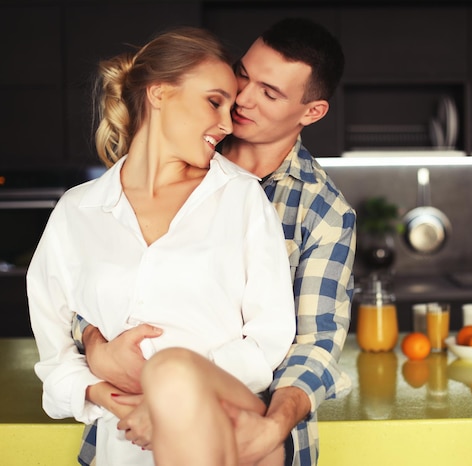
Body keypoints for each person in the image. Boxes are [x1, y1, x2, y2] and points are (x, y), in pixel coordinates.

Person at [75, 17, 356, 466]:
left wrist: (273, 426)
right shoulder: (174, 147)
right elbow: (82, 280)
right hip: (126, 434)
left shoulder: (323, 212)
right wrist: (95, 344)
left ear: (311, 112)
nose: (242, 98)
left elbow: (314, 346)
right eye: (243, 74)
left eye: (270, 92)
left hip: (250, 431)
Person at [27, 26, 296, 466]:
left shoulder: (241, 198)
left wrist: (170, 399)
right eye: (214, 101)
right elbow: (54, 363)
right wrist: (111, 398)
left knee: (171, 370)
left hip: (225, 429)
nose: (228, 124)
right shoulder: (78, 212)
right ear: (158, 94)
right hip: (123, 447)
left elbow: (269, 339)